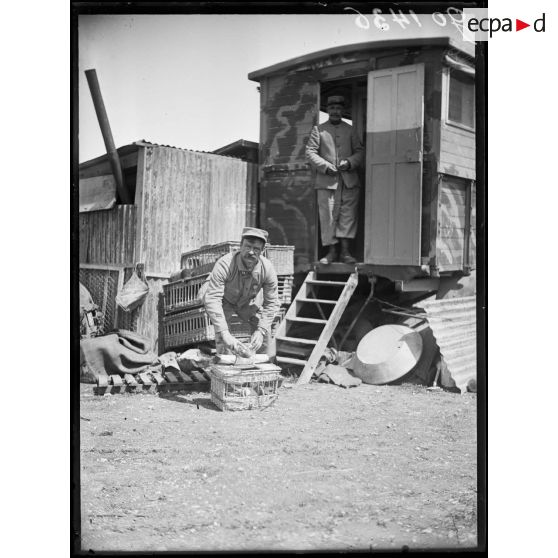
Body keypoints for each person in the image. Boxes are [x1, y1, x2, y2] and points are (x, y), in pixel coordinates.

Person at [202, 227, 280, 355]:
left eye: (256, 249)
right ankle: (226, 368)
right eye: (248, 246)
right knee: (223, 339)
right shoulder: (224, 264)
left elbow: (272, 303)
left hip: (248, 302)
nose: (251, 252)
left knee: (265, 334)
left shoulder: (267, 269)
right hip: (224, 300)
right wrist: (224, 332)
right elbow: (213, 299)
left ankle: (265, 367)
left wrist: (260, 331)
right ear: (240, 245)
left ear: (262, 251)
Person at [306, 95, 364, 264]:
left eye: (338, 108)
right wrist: (325, 166)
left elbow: (360, 151)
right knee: (328, 217)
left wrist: (350, 162)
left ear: (342, 110)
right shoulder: (319, 130)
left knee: (348, 216)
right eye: (332, 109)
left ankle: (345, 253)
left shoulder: (351, 130)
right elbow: (310, 152)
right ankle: (331, 253)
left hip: (349, 182)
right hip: (326, 182)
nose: (335, 111)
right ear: (328, 110)